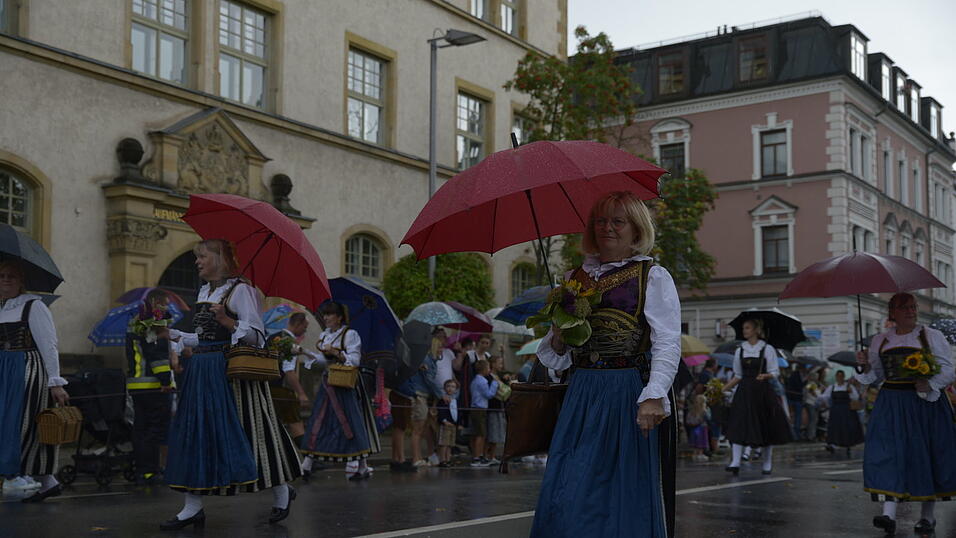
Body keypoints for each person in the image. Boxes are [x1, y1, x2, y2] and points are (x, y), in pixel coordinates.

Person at [533, 191, 681, 538]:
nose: (607, 228)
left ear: (636, 229)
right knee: (569, 488)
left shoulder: (652, 276)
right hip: (582, 392)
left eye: (618, 221)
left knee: (618, 490)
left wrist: (653, 394)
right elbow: (557, 355)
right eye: (600, 220)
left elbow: (667, 341)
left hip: (625, 392)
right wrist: (557, 332)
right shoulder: (573, 278)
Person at [163, 239, 300, 529]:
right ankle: (192, 505)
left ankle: (281, 489)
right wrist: (172, 334)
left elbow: (257, 337)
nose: (197, 261)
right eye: (197, 257)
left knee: (253, 431)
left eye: (203, 256)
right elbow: (202, 338)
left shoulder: (242, 291)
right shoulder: (205, 291)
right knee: (198, 432)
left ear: (221, 258)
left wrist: (229, 321)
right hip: (201, 370)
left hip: (233, 373)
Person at [855, 292, 956, 536]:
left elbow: (949, 369)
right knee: (888, 453)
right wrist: (864, 364)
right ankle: (888, 514)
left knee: (925, 454)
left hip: (923, 404)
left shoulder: (931, 336)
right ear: (893, 313)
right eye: (904, 308)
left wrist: (929, 384)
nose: (911, 311)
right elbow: (875, 377)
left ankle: (927, 517)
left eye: (913, 307)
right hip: (891, 402)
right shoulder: (881, 340)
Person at [0, 260, 69, 502]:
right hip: (3, 368)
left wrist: (56, 382)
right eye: (2, 276)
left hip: (26, 369)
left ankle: (45, 480)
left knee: (24, 426)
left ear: (21, 282)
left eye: (11, 276)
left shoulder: (33, 306)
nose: (6, 280)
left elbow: (48, 345)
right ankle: (48, 483)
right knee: (6, 424)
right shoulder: (1, 308)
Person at [300, 301, 379, 480]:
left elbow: (355, 361)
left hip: (344, 385)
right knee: (318, 421)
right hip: (328, 384)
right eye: (325, 314)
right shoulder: (326, 335)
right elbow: (322, 361)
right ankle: (307, 463)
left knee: (350, 423)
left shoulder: (350, 335)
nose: (326, 318)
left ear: (340, 317)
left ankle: (361, 465)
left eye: (330, 314)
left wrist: (336, 352)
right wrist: (304, 352)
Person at [722, 318, 791, 476]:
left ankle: (767, 463)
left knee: (765, 426)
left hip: (762, 392)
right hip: (745, 391)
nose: (744, 330)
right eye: (744, 328)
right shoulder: (740, 350)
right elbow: (738, 375)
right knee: (739, 423)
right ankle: (735, 462)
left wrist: (766, 375)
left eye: (747, 328)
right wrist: (723, 389)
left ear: (756, 330)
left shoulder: (767, 349)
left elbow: (775, 372)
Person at [125, 288, 174, 485]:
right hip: (153, 386)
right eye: (166, 303)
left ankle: (141, 470)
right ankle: (150, 471)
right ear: (157, 303)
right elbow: (157, 356)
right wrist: (165, 381)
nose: (168, 306)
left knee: (141, 428)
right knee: (154, 429)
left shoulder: (136, 322)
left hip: (137, 385)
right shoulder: (154, 321)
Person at [265, 312, 314, 450]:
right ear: (297, 324)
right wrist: (302, 393)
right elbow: (289, 371)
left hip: (266, 387)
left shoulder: (273, 338)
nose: (305, 330)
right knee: (295, 422)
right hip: (281, 389)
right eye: (304, 327)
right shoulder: (288, 343)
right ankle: (309, 459)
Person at [819, 370, 863, 456]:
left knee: (846, 426)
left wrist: (850, 392)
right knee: (835, 427)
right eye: (838, 376)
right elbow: (825, 397)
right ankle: (833, 444)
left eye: (841, 376)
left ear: (843, 377)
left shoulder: (849, 386)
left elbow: (856, 397)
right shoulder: (832, 387)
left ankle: (847, 444)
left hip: (846, 410)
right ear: (836, 377)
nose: (839, 378)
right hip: (836, 410)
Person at [468, 359, 498, 468]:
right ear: (484, 369)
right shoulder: (482, 381)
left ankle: (479, 456)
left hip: (476, 408)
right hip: (479, 409)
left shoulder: (475, 380)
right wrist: (495, 383)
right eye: (488, 368)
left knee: (479, 433)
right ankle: (477, 457)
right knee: (481, 434)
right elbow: (489, 394)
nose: (489, 370)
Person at [485, 355, 508, 464]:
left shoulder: (498, 376)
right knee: (492, 432)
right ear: (493, 364)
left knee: (496, 432)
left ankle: (492, 456)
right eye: (499, 363)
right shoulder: (489, 377)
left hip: (499, 406)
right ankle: (487, 455)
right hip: (493, 407)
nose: (501, 365)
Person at [436, 378, 459, 467]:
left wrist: (459, 423)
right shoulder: (443, 399)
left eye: (453, 387)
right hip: (445, 424)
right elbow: (441, 411)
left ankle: (448, 459)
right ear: (445, 388)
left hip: (453, 424)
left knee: (450, 444)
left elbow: (458, 412)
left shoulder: (455, 400)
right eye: (448, 386)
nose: (450, 388)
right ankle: (442, 460)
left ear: (456, 389)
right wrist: (444, 421)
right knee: (444, 443)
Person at [685, 394, 710, 462]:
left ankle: (695, 454)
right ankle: (700, 454)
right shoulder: (704, 411)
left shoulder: (691, 410)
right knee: (701, 441)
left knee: (695, 441)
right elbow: (708, 418)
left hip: (693, 428)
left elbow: (688, 419)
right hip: (702, 428)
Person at [785, 364, 807, 440]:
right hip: (796, 398)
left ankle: (792, 434)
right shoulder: (797, 375)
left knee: (791, 416)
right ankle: (796, 435)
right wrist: (806, 381)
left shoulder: (792, 375)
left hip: (790, 397)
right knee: (797, 417)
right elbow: (799, 386)